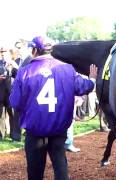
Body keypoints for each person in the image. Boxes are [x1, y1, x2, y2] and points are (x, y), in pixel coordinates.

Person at [9, 36, 98, 180]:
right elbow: (84, 87)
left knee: (35, 172)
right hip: (59, 128)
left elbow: (15, 102)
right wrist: (92, 78)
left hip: (35, 130)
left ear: (34, 50)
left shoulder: (24, 72)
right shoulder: (67, 69)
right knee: (60, 165)